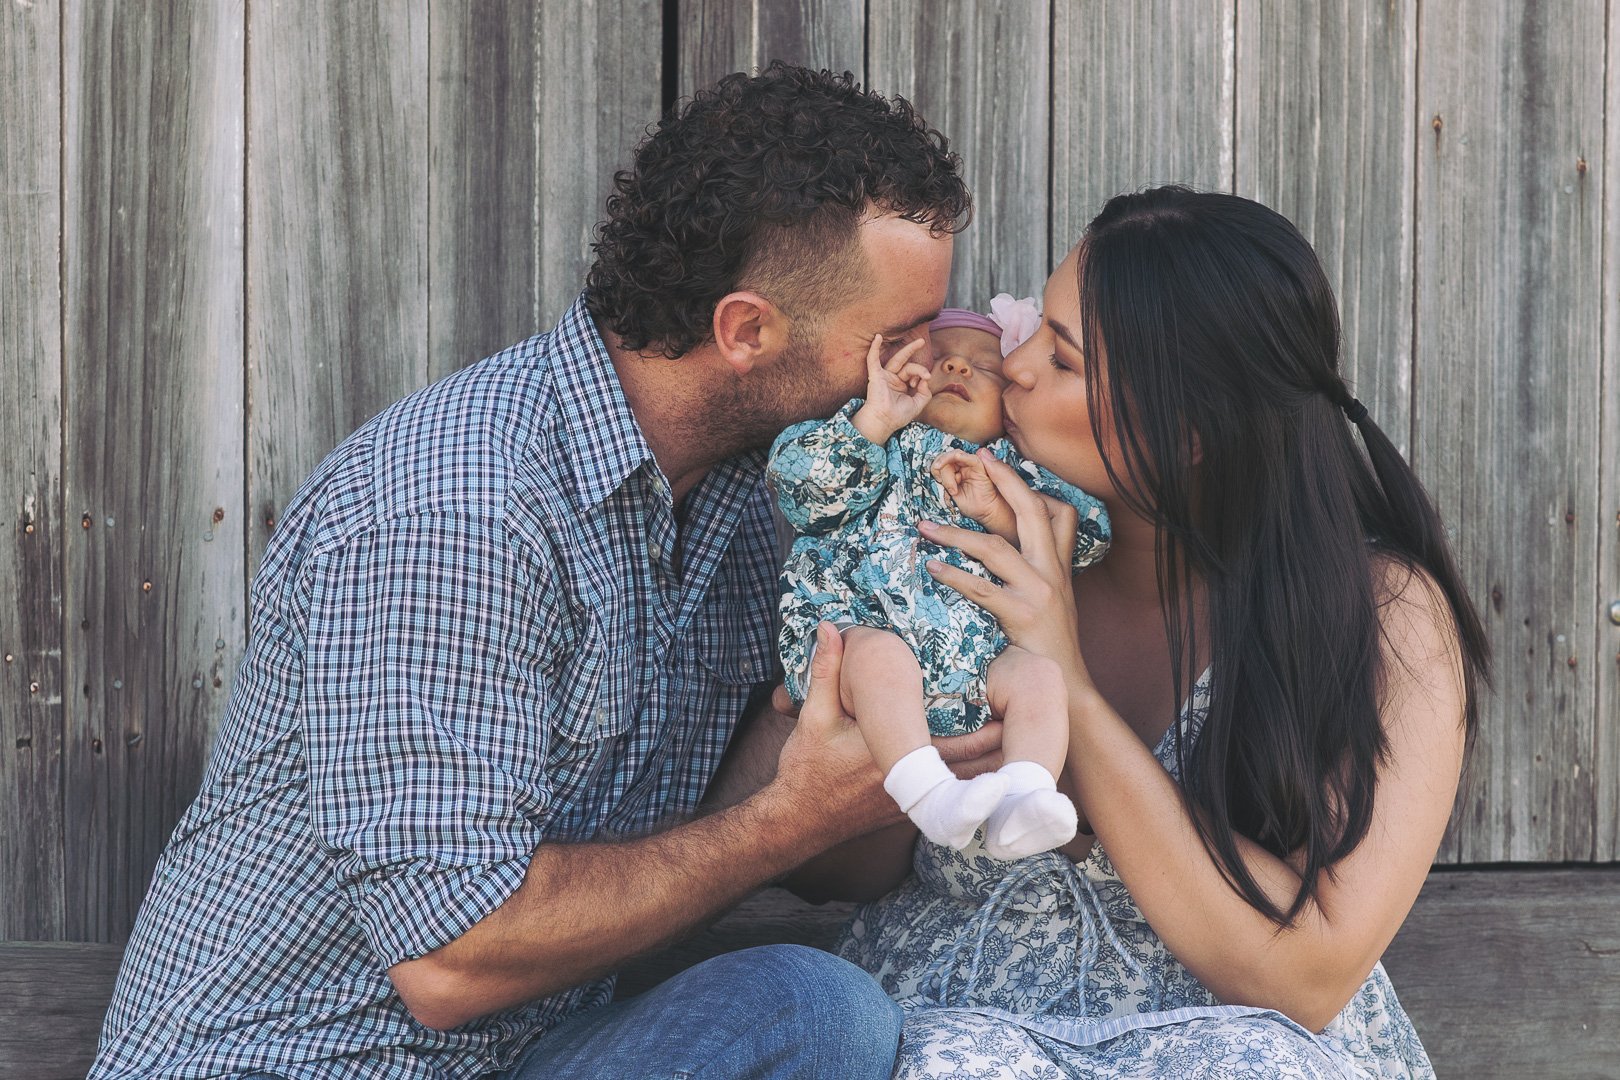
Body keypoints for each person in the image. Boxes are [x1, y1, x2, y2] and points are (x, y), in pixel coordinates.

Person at [88, 62, 977, 1080]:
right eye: (892, 340)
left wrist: (866, 735)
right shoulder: (459, 508)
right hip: (299, 1061)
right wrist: (787, 818)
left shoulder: (754, 499)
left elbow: (816, 852)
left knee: (817, 1011)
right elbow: (449, 959)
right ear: (745, 330)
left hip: (527, 1051)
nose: (921, 370)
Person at [748, 185, 1490, 1077]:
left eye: (1061, 360)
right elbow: (844, 871)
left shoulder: (1384, 618)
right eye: (1035, 331)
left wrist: (1066, 679)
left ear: (1187, 436)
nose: (1012, 364)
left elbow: (1308, 976)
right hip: (963, 1016)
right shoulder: (962, 547)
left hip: (1236, 1042)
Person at [768, 304, 1110, 860]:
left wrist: (1002, 512)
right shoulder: (866, 442)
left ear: (1010, 413)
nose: (958, 368)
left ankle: (1023, 800)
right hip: (859, 647)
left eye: (986, 367)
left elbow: (1087, 535)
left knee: (1041, 678)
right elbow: (798, 489)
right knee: (881, 659)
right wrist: (875, 422)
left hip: (975, 672)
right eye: (939, 359)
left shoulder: (1010, 469)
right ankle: (931, 796)